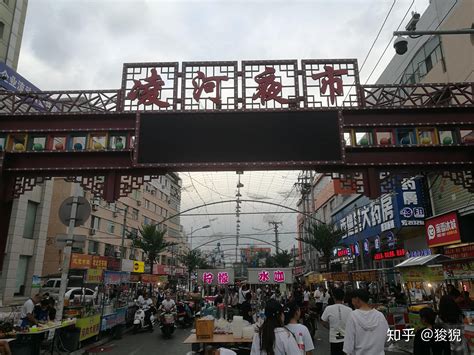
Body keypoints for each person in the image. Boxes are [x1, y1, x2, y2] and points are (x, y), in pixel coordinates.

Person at [343, 289, 389, 355]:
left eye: (352, 299)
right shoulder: (380, 315)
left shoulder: (353, 316)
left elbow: (348, 346)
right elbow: (387, 338)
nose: (352, 302)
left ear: (357, 299)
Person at [321, 288, 352, 355]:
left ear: (333, 297)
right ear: (343, 297)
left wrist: (331, 327)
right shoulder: (349, 310)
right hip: (347, 339)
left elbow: (323, 322)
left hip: (334, 339)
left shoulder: (328, 309)